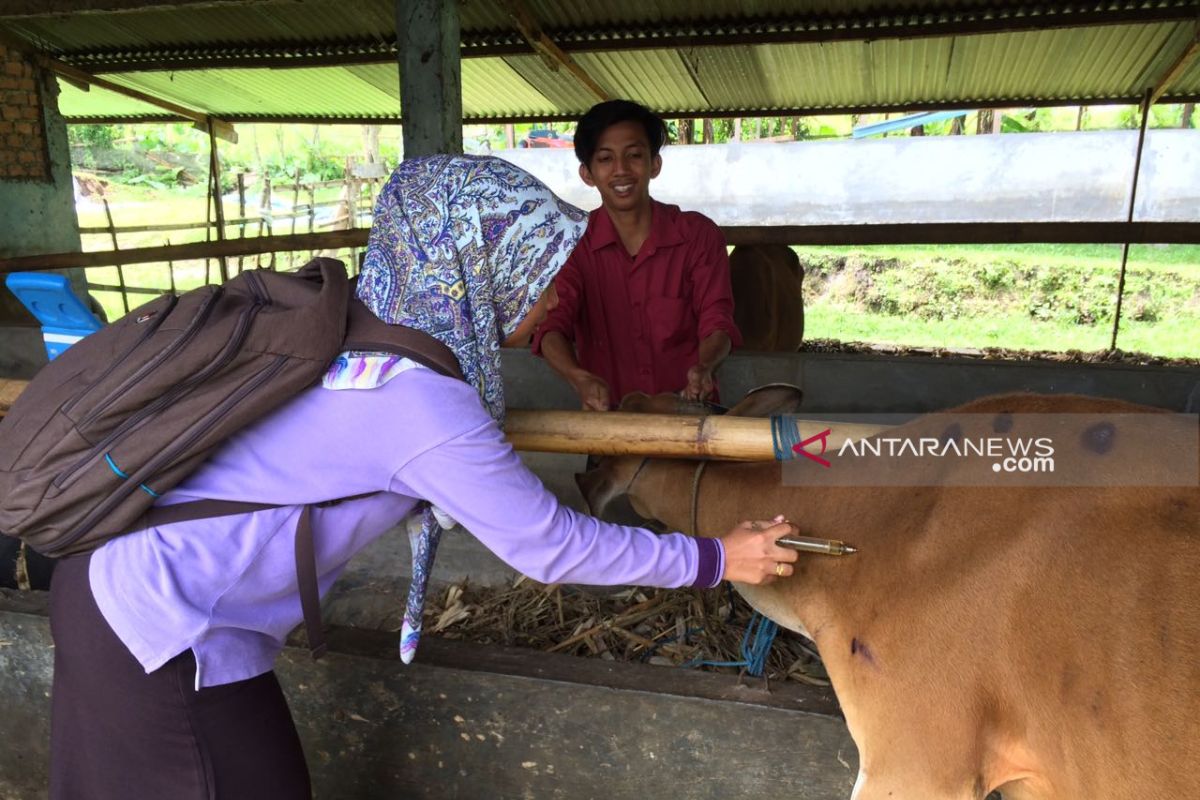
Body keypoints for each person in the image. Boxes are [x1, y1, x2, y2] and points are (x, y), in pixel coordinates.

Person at [47, 154, 799, 800]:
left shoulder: (348, 335)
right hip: (157, 621)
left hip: (131, 592)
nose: (547, 299)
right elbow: (551, 547)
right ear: (479, 265)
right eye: (537, 271)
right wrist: (717, 557)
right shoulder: (417, 400)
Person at [533, 100, 742, 411]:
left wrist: (705, 367)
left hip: (691, 417)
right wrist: (579, 377)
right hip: (613, 424)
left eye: (634, 155)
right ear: (587, 173)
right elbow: (551, 328)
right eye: (605, 158)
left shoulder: (698, 236)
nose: (621, 170)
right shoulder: (573, 246)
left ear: (654, 164)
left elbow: (718, 322)